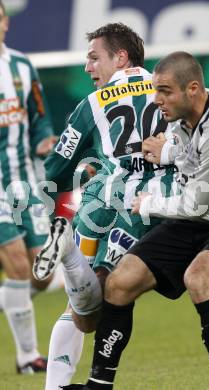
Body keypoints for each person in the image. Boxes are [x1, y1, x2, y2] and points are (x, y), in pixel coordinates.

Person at [34, 25, 209, 388]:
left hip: (191, 210)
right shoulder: (169, 91)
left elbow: (56, 168)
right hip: (168, 205)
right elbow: (191, 141)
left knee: (97, 309)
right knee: (116, 286)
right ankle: (97, 383)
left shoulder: (97, 103)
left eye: (93, 57)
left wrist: (120, 184)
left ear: (120, 57)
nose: (157, 100)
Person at [0, 0, 57, 374]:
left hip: (23, 180)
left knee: (43, 271)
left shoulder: (21, 65)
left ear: (5, 22)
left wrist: (45, 138)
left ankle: (10, 299)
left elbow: (40, 115)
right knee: (18, 264)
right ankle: (28, 358)